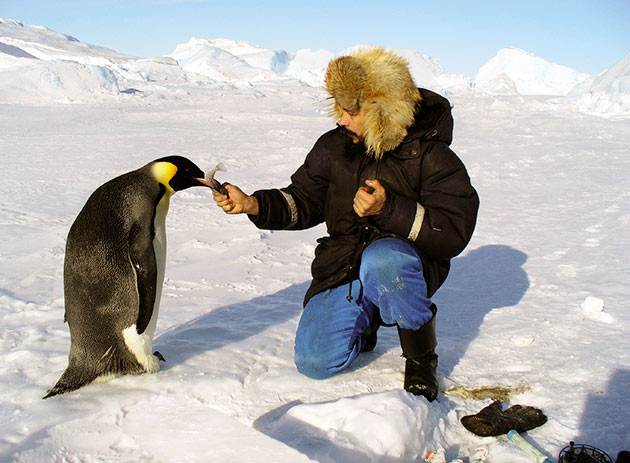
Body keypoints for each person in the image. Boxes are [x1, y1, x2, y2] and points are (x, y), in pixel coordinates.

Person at [212, 48, 479, 402]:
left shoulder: (430, 156)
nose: (341, 119)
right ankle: (363, 319)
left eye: (350, 110)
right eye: (338, 109)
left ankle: (420, 357)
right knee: (314, 361)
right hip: (343, 263)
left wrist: (390, 209)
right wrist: (254, 204)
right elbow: (304, 200)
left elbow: (454, 232)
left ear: (383, 109)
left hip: (401, 264)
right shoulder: (333, 147)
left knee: (384, 261)